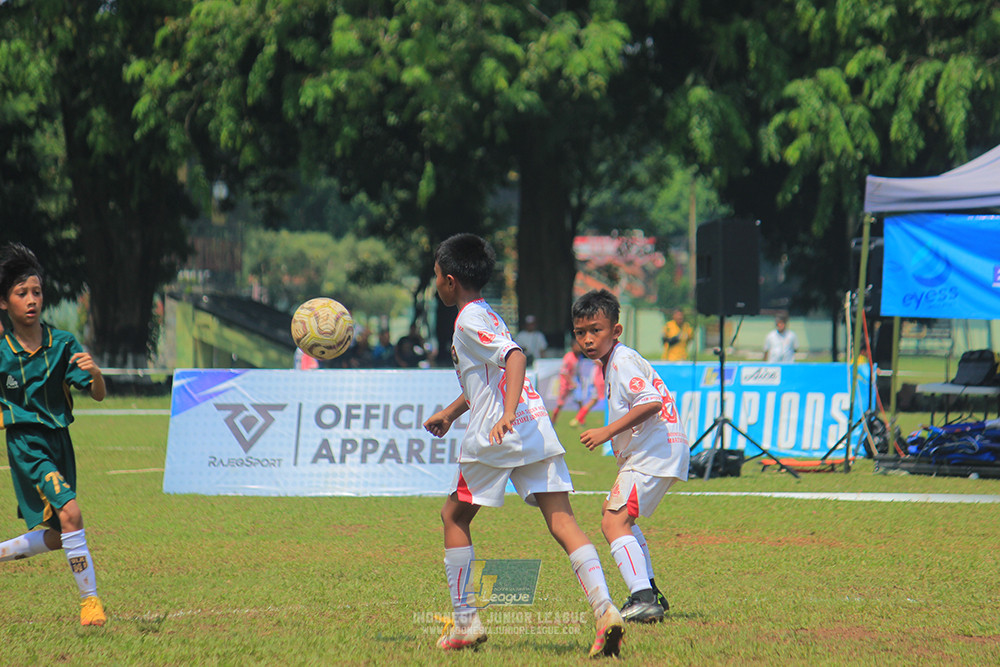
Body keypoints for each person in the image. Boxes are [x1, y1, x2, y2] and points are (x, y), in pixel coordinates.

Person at [423, 234, 625, 658]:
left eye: (437, 275)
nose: (435, 282)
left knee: (454, 516)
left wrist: (505, 413)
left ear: (451, 281)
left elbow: (514, 358)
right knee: (562, 522)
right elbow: (491, 377)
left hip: (499, 433)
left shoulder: (466, 321)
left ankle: (466, 623)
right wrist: (450, 412)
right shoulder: (486, 314)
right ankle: (605, 610)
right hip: (534, 426)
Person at [0, 243, 107, 627]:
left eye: (37, 292)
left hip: (60, 443)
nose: (32, 300)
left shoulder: (62, 344)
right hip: (26, 445)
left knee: (63, 533)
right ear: (4, 302)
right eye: (21, 293)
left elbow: (95, 393)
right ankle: (90, 603)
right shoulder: (1, 351)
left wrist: (96, 374)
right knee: (72, 513)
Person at [572, 288, 690, 624]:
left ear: (616, 331)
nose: (588, 339)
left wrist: (605, 433)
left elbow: (650, 402)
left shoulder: (622, 361)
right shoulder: (614, 362)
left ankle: (642, 598)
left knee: (614, 521)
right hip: (660, 449)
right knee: (619, 518)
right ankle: (650, 592)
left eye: (596, 330)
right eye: (581, 332)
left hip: (655, 451)